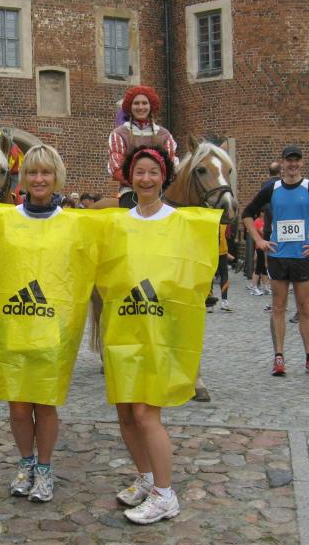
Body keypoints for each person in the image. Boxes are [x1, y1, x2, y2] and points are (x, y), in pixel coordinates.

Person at [98, 145, 218, 525]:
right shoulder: (117, 223)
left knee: (146, 413)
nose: (146, 178)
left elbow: (195, 274)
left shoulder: (181, 223)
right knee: (125, 412)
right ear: (130, 177)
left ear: (163, 177)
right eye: (140, 172)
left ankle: (166, 495)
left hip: (159, 332)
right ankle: (147, 478)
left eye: (153, 172)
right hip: (123, 329)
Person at [0, 144, 96, 505]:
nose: (39, 179)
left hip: (51, 328)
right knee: (18, 406)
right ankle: (25, 462)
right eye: (32, 172)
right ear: (22, 178)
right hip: (13, 325)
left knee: (45, 403)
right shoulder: (2, 219)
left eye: (46, 172)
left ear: (57, 177)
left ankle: (44, 467)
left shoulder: (74, 223)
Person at [242, 145, 309, 378]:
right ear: (282, 163)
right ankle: (278, 358)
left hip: (303, 257)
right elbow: (247, 213)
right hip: (278, 256)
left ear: (302, 163)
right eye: (289, 161)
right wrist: (258, 240)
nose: (293, 164)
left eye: (297, 161)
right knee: (278, 307)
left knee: (305, 309)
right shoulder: (272, 189)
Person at [107, 86, 178, 208]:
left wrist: (155, 184)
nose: (140, 107)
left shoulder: (164, 134)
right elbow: (117, 169)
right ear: (130, 107)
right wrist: (142, 184)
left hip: (160, 190)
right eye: (136, 103)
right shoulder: (119, 133)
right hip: (131, 190)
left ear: (151, 106)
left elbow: (170, 167)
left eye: (144, 103)